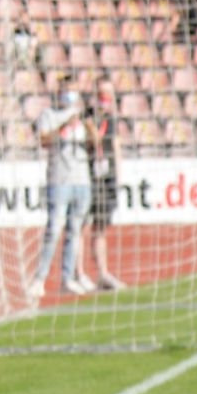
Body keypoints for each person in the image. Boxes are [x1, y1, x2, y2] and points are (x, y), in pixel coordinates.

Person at [24, 81, 95, 303]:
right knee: (54, 229)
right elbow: (44, 140)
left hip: (82, 180)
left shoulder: (81, 116)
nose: (70, 95)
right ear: (60, 93)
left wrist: (88, 123)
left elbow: (95, 142)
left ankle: (68, 278)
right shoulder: (49, 115)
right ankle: (39, 279)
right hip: (59, 179)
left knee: (75, 231)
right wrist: (66, 124)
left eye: (73, 90)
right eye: (67, 90)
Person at [85, 78, 126, 292]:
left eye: (109, 95)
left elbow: (116, 146)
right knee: (81, 226)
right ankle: (77, 274)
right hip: (89, 178)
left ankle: (102, 273)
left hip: (107, 178)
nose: (105, 99)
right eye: (102, 94)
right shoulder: (88, 117)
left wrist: (119, 177)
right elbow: (92, 142)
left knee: (101, 227)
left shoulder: (112, 120)